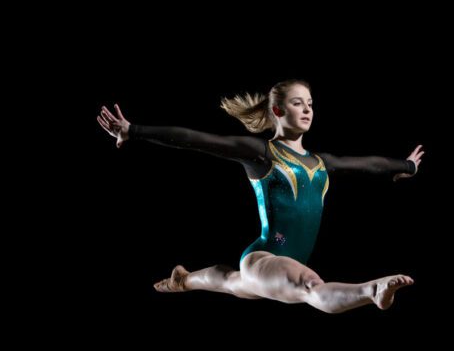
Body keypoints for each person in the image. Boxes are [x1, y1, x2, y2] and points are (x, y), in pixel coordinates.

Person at [96, 78, 424, 313]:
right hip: (264, 259)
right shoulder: (263, 154)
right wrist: (133, 130)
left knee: (228, 281)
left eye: (310, 103)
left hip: (278, 268)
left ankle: (183, 280)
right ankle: (371, 290)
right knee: (310, 287)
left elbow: (368, 164)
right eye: (298, 103)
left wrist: (406, 166)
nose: (307, 109)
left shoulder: (322, 162)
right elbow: (197, 139)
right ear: (278, 110)